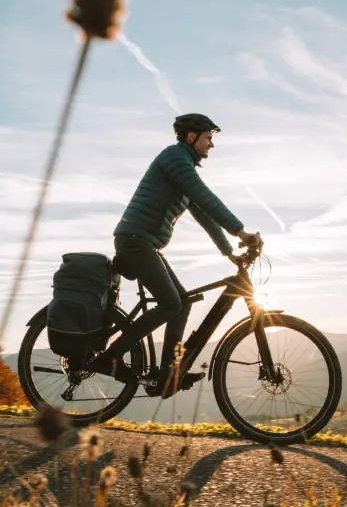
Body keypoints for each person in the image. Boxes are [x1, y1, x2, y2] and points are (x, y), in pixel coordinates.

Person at [91, 113, 262, 394]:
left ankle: (168, 373)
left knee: (182, 300)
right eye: (209, 137)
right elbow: (206, 196)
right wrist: (241, 231)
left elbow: (204, 213)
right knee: (171, 303)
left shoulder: (184, 168)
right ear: (191, 136)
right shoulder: (175, 159)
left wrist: (230, 252)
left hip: (144, 243)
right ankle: (109, 358)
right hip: (135, 241)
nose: (212, 144)